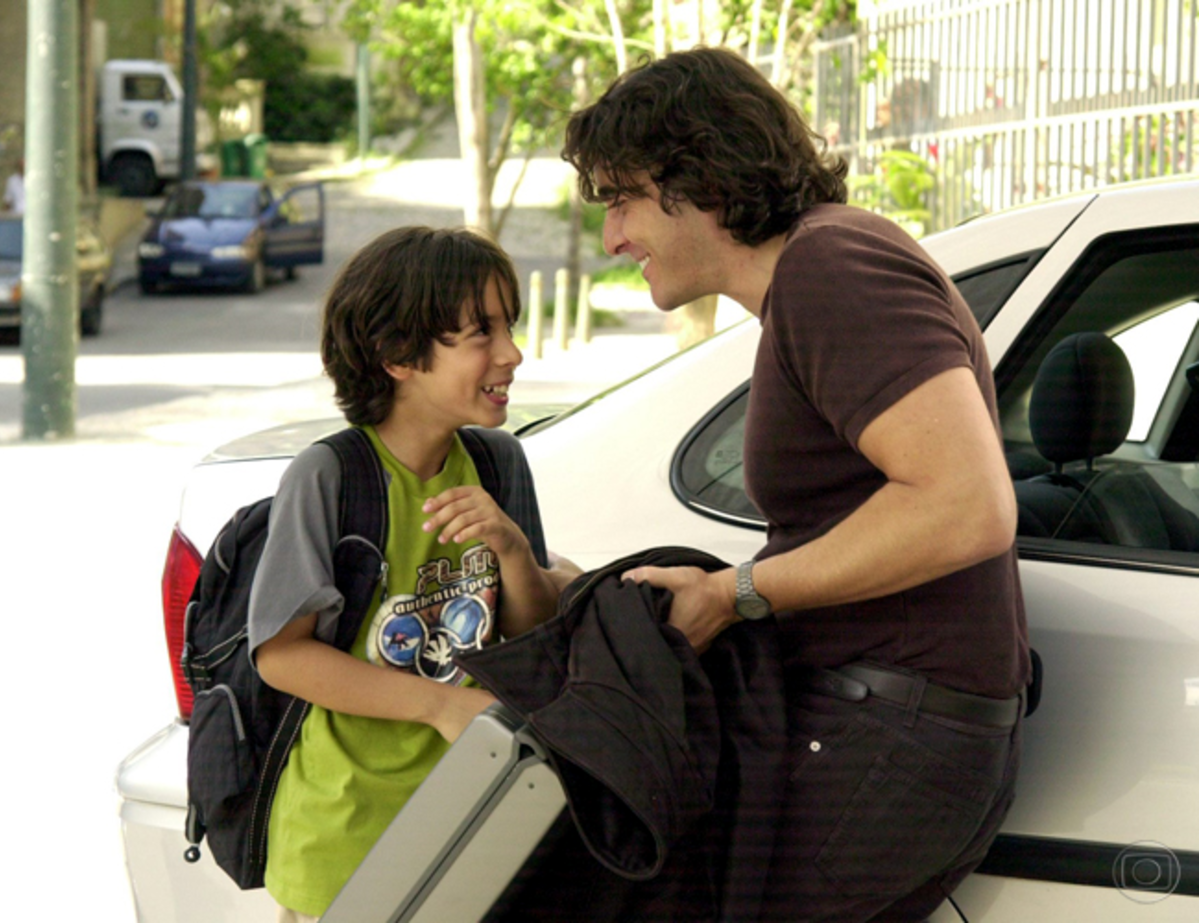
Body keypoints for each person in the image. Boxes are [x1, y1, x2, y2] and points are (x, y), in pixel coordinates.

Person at [563, 47, 1030, 922]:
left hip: (890, 730)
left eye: (622, 199)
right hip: (896, 726)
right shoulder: (823, 268)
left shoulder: (831, 269)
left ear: (697, 174)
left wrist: (736, 593)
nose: (613, 236)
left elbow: (965, 503)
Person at [248, 226, 574, 923]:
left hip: (484, 818)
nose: (512, 353)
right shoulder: (332, 476)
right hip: (347, 840)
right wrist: (440, 705)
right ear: (399, 355)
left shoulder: (496, 463)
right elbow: (281, 653)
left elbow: (534, 635)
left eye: (508, 327)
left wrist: (513, 552)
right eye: (480, 333)